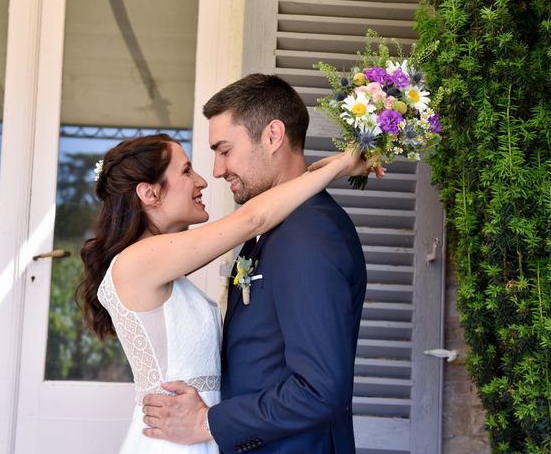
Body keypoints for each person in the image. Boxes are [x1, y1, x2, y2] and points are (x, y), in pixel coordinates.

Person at [78, 126, 380, 452]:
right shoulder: (138, 261)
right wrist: (340, 165)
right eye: (185, 170)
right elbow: (252, 220)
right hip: (174, 439)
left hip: (198, 432)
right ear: (149, 193)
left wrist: (309, 172)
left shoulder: (161, 263)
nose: (203, 180)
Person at [141, 74, 382, 453]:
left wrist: (206, 422)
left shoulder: (309, 234)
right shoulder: (277, 226)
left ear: (272, 136)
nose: (217, 170)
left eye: (224, 150)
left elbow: (320, 389)